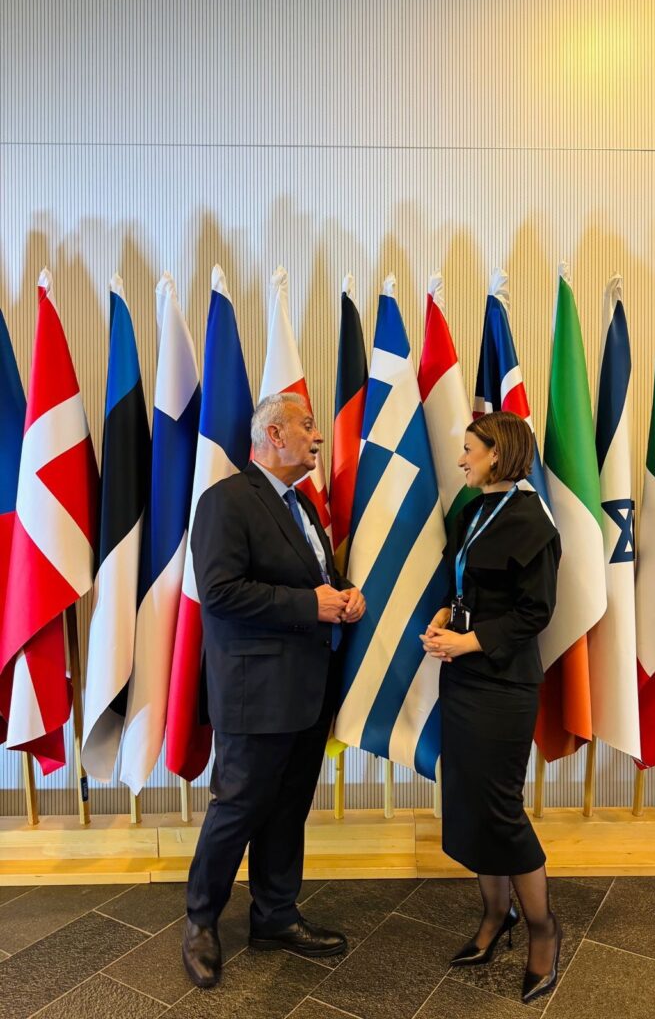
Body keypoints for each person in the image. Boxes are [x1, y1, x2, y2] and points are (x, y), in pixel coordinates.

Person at [182, 392, 366, 989]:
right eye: (307, 426)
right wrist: (310, 605)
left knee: (288, 809)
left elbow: (316, 580)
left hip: (308, 691)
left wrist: (345, 594)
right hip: (255, 693)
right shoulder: (226, 500)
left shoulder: (302, 505)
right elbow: (220, 593)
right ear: (274, 435)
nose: (318, 437)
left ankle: (275, 916)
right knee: (237, 809)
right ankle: (200, 922)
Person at [420, 411, 562, 1004]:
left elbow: (536, 613)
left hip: (504, 685)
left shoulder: (532, 521)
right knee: (470, 801)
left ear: (498, 453)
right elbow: (463, 585)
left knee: (500, 808)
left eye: (469, 450)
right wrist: (444, 616)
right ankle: (495, 915)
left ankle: (543, 930)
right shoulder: (472, 511)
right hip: (463, 678)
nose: (461, 460)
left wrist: (469, 641)